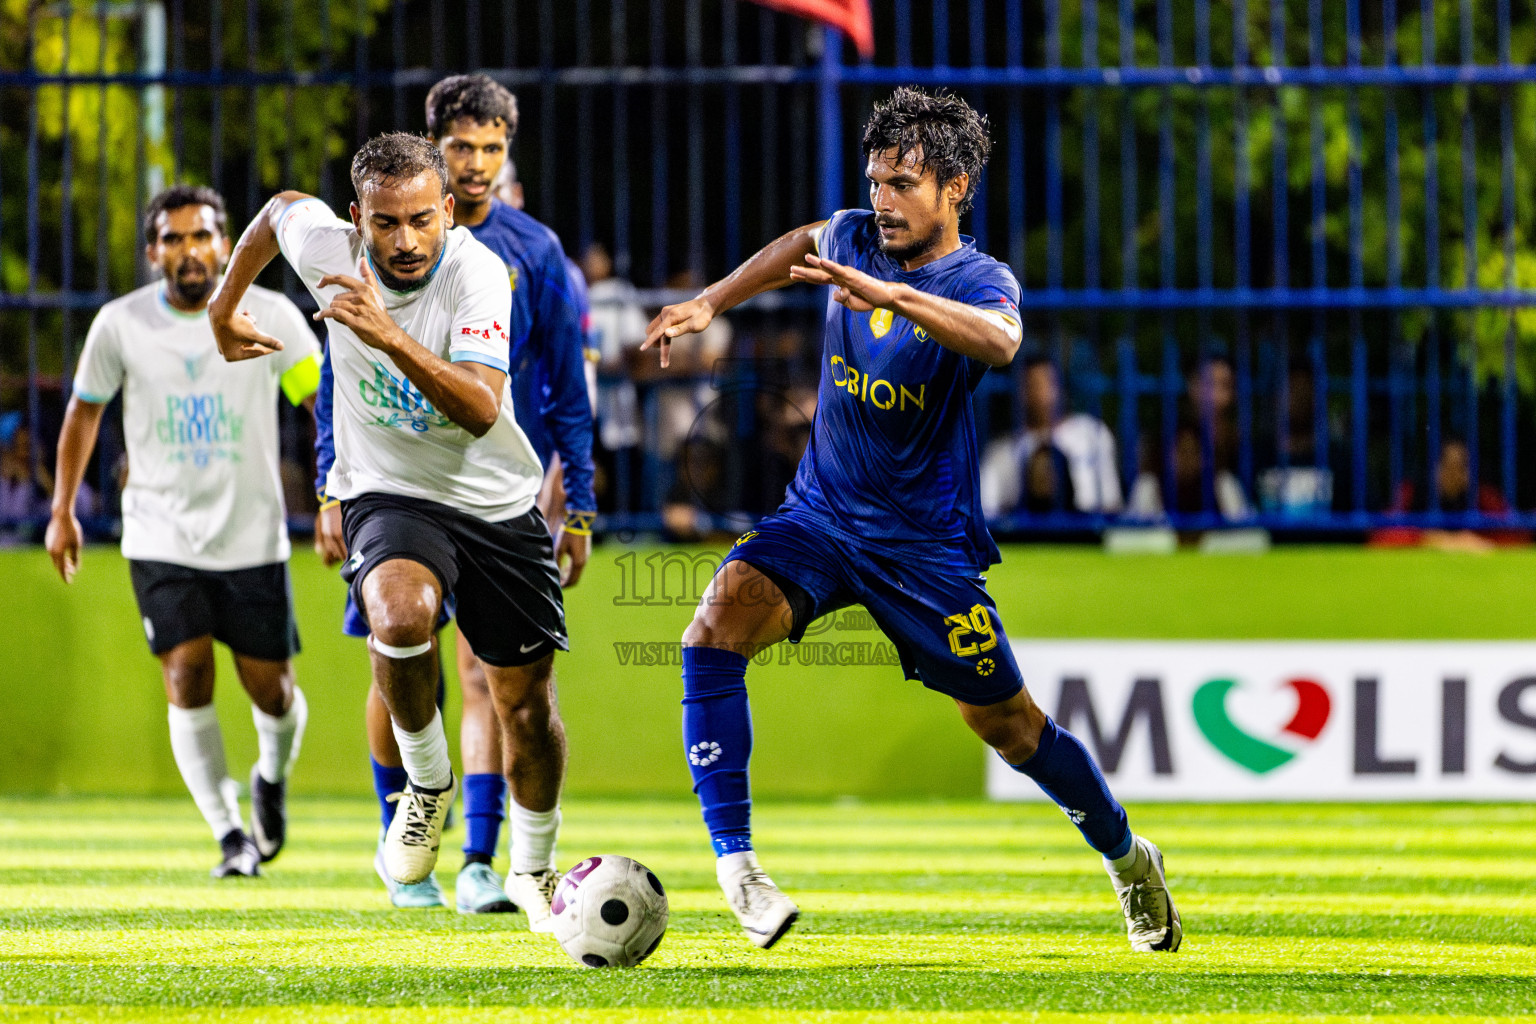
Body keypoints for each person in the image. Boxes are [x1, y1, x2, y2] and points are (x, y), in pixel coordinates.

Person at [643, 88, 1181, 953]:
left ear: (955, 186)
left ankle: (1126, 856)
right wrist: (712, 302)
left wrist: (883, 295)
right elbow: (797, 245)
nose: (882, 200)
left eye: (903, 183)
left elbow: (998, 343)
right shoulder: (856, 234)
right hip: (820, 517)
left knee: (1012, 729)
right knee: (711, 630)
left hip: (922, 551)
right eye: (875, 180)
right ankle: (738, 867)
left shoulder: (979, 280)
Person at [209, 133, 570, 919]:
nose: (404, 242)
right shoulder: (328, 248)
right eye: (384, 224)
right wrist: (223, 303)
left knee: (525, 710)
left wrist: (386, 334)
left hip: (495, 497)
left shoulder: (479, 272)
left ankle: (534, 866)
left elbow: (479, 408)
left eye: (419, 221)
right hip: (387, 489)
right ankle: (428, 783)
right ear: (356, 220)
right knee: (399, 615)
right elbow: (275, 214)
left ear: (446, 211)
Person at [313, 76, 595, 921]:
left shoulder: (530, 255)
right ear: (435, 151)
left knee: (500, 683)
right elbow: (337, 369)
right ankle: (410, 829)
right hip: (390, 480)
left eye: (492, 149)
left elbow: (564, 387)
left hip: (502, 486)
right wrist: (332, 477)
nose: (477, 166)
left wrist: (575, 495)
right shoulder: (353, 246)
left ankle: (491, 859)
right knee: (399, 640)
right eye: (463, 148)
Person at [45, 184, 317, 878]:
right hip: (159, 533)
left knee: (272, 693)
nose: (189, 250)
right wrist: (62, 508)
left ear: (226, 244)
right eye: (173, 239)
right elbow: (84, 412)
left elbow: (321, 403)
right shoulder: (121, 325)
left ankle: (270, 779)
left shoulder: (272, 313)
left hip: (252, 533)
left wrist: (337, 492)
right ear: (152, 253)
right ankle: (230, 835)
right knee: (186, 672)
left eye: (202, 236)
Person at [980, 355, 1122, 517]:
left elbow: (1112, 502)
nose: (1041, 393)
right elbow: (988, 513)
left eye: (1048, 383)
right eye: (1033, 384)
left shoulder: (1092, 434)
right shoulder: (1002, 452)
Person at [1369, 437, 1530, 550]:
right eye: (1447, 466)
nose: (1454, 474)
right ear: (1434, 467)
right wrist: (1428, 539)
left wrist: (1480, 542)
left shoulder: (1483, 496)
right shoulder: (1412, 492)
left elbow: (1517, 537)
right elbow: (1381, 537)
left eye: (1461, 467)